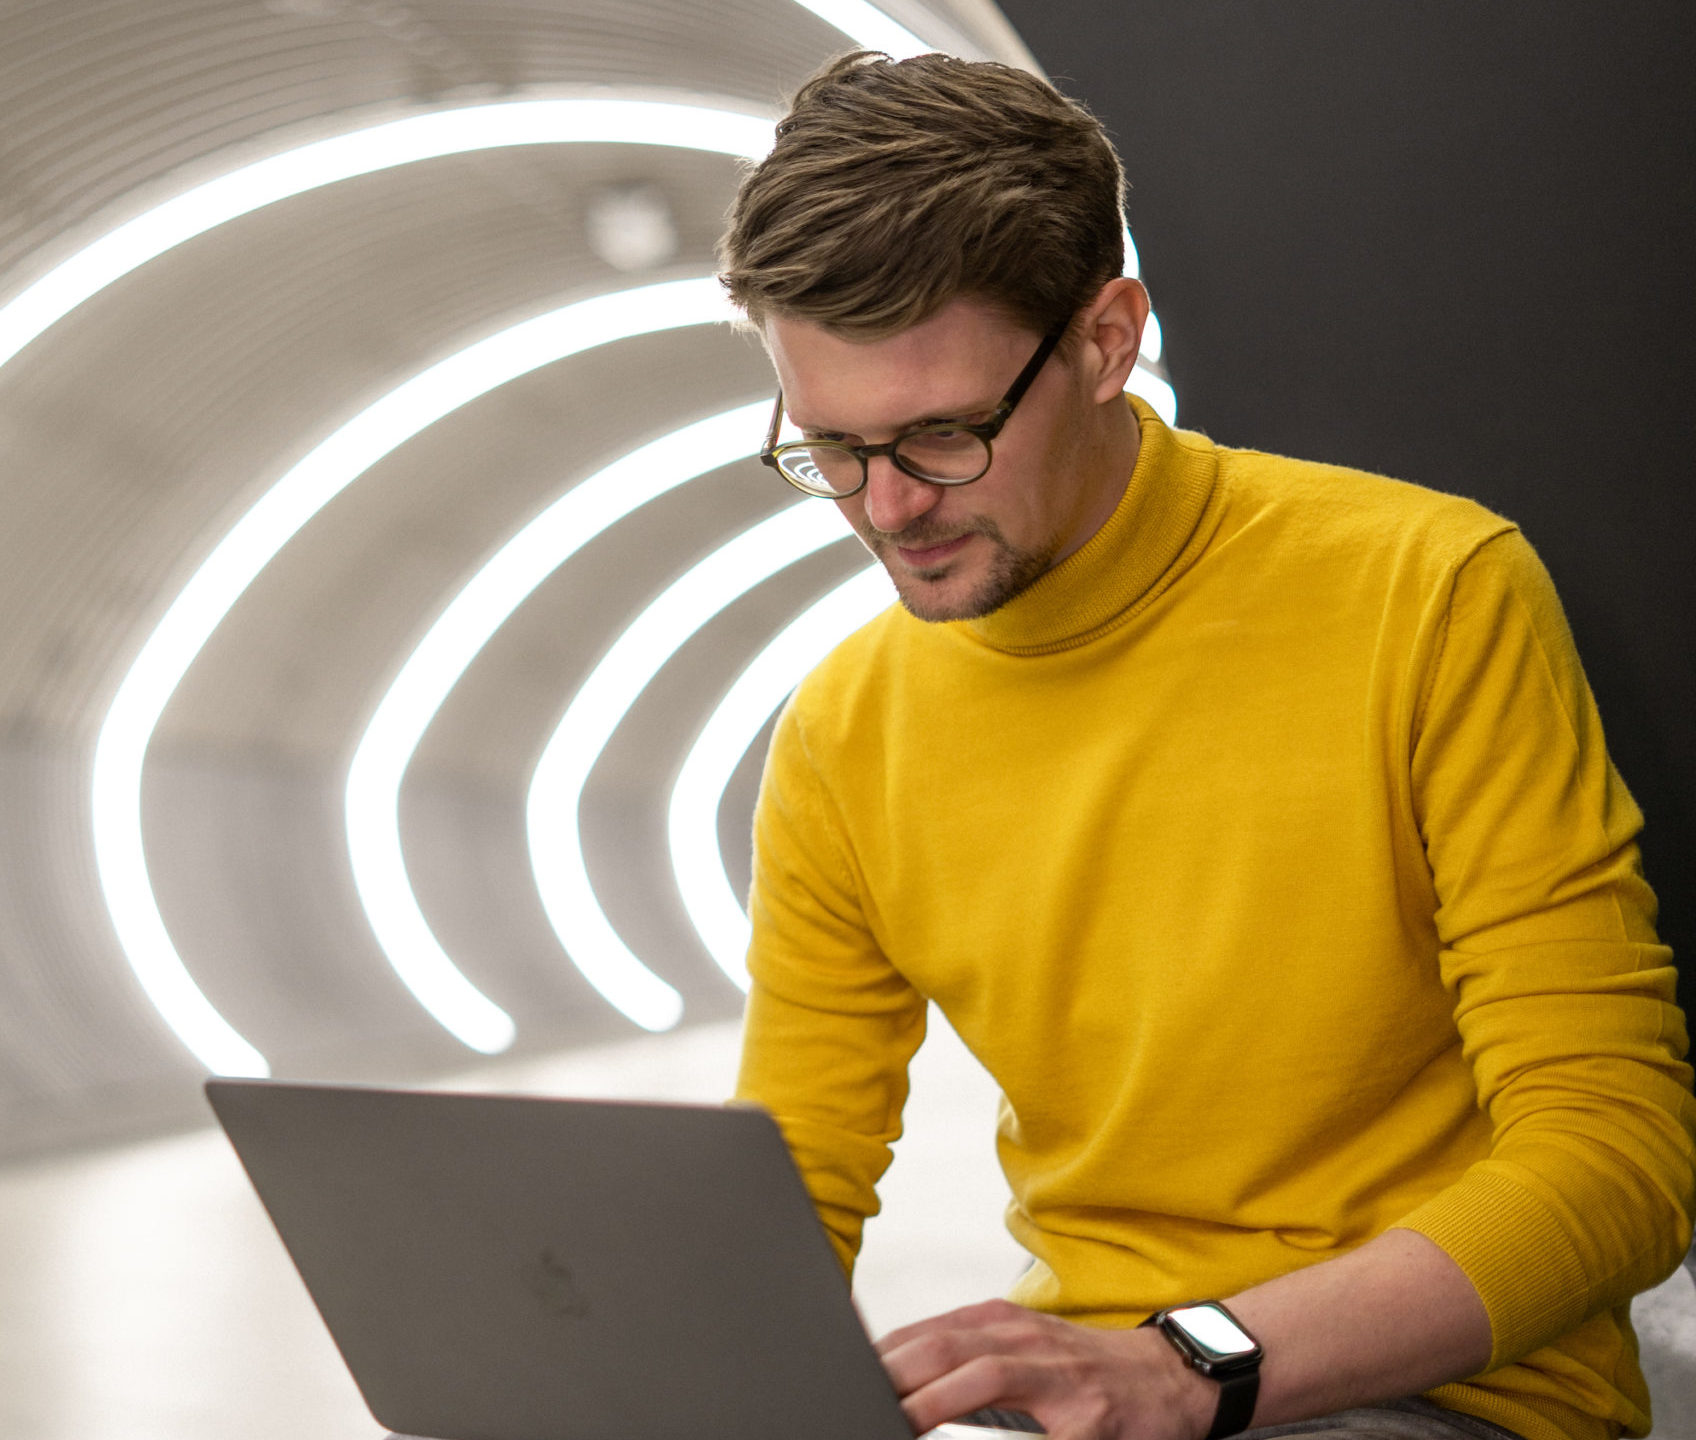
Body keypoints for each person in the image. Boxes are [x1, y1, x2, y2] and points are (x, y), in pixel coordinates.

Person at [719, 49, 1695, 1440]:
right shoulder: (842, 731)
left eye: (942, 436)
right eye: (829, 449)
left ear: (1108, 340)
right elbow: (786, 1192)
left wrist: (1190, 1365)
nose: (886, 509)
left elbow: (1619, 1158)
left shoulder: (1427, 589)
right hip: (1092, 1408)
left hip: (1446, 1402)